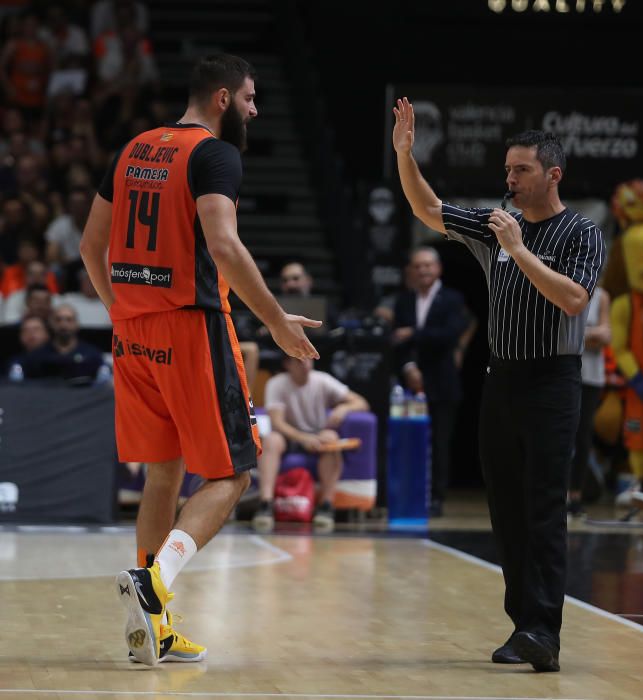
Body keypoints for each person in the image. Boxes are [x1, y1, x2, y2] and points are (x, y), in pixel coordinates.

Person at [80, 53, 321, 667]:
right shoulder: (215, 153)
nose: (254, 109)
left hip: (133, 333)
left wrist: (120, 310)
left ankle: (153, 627)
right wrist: (273, 319)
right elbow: (223, 243)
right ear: (221, 98)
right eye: (248, 98)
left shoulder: (133, 148)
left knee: (164, 473)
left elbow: (90, 246)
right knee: (233, 473)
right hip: (191, 326)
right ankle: (155, 582)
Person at [393, 97, 605, 672]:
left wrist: (517, 250)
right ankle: (523, 627)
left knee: (543, 510)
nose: (509, 179)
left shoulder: (580, 232)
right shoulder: (493, 223)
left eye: (522, 170)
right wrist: (405, 155)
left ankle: (546, 632)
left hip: (552, 384)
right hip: (501, 381)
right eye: (508, 170)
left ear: (552, 175)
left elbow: (573, 299)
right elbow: (427, 208)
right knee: (506, 512)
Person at [392, 245, 477, 516]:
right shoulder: (403, 300)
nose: (423, 270)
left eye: (427, 265)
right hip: (410, 381)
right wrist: (408, 368)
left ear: (438, 268)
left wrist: (413, 333)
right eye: (417, 266)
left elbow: (449, 336)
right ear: (411, 271)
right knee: (408, 440)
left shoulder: (452, 299)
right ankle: (409, 492)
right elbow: (396, 341)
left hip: (442, 382)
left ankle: (437, 497)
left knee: (440, 443)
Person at [252, 356, 369, 534]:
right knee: (271, 440)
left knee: (331, 437)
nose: (305, 364)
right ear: (287, 364)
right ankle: (265, 504)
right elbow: (277, 423)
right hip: (289, 436)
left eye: (308, 359)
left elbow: (361, 402)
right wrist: (303, 438)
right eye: (299, 361)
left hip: (318, 435)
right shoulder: (276, 383)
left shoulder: (322, 380)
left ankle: (326, 506)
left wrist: (343, 408)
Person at [568, 286, 611, 517]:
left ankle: (576, 495)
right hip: (566, 373)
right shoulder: (566, 286)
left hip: (592, 376)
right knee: (562, 434)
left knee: (583, 436)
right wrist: (592, 335)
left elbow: (607, 335)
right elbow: (561, 331)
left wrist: (581, 334)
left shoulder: (601, 296)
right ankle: (558, 494)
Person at [9, 303, 108, 384]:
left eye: (69, 320)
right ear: (51, 324)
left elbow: (103, 383)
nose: (63, 325)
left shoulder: (91, 354)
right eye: (58, 320)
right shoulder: (37, 355)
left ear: (77, 324)